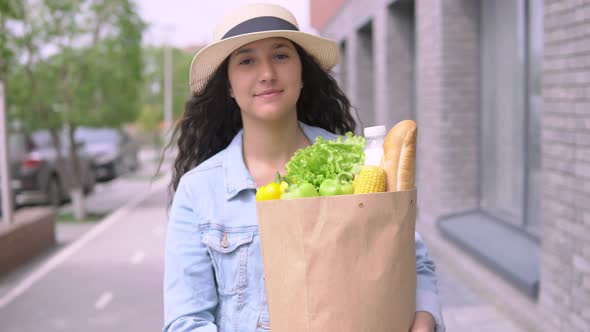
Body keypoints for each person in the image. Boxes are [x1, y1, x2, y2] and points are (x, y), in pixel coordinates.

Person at [163, 3, 445, 332]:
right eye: (247, 60)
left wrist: (424, 321)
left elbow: (415, 262)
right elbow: (186, 321)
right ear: (228, 84)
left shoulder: (358, 162)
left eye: (281, 55)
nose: (267, 72)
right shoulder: (198, 191)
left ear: (301, 72)